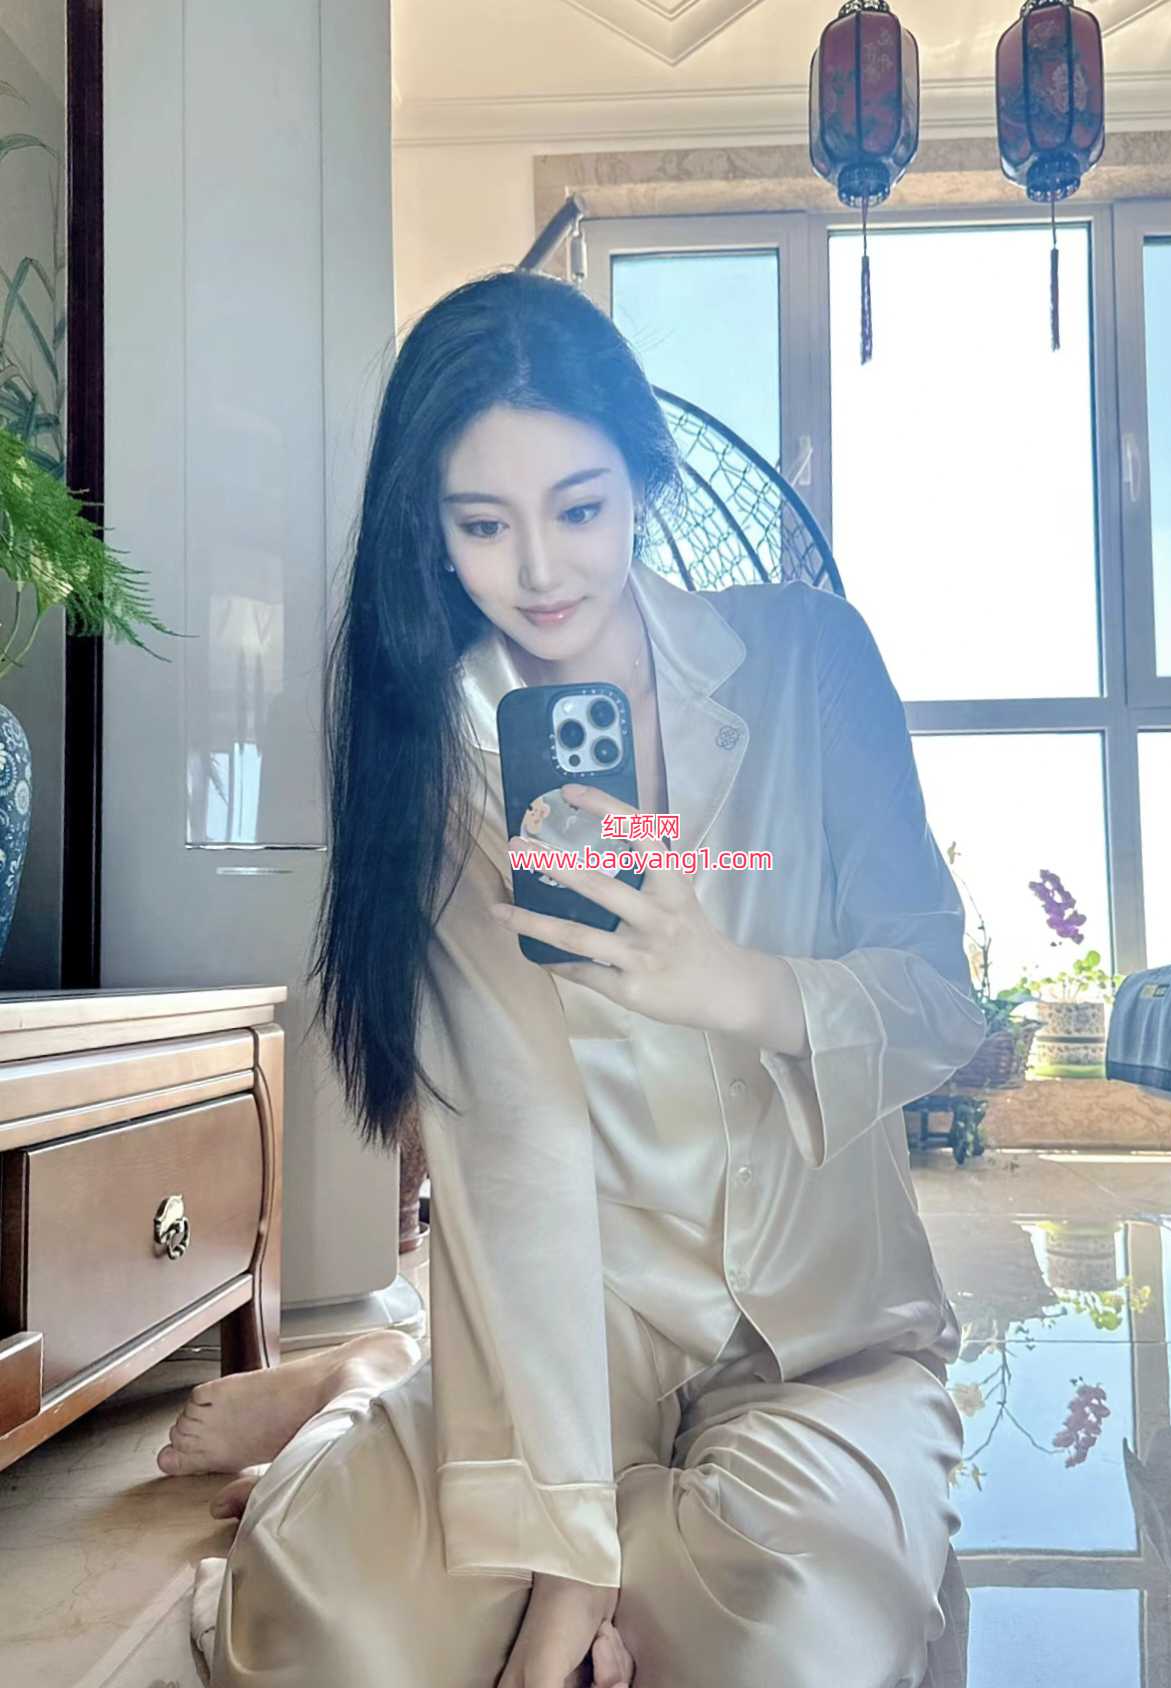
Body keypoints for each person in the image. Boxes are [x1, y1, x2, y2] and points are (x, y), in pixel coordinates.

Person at [158, 268, 987, 1688]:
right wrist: (568, 1556)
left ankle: (384, 1389)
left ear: (645, 479)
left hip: (817, 1338)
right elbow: (513, 1145)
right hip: (558, 1329)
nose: (539, 572)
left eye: (581, 509)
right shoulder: (437, 759)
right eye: (482, 525)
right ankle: (372, 1397)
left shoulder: (807, 664)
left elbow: (940, 1003)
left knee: (781, 1652)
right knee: (342, 1640)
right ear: (431, 529)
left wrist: (728, 981)